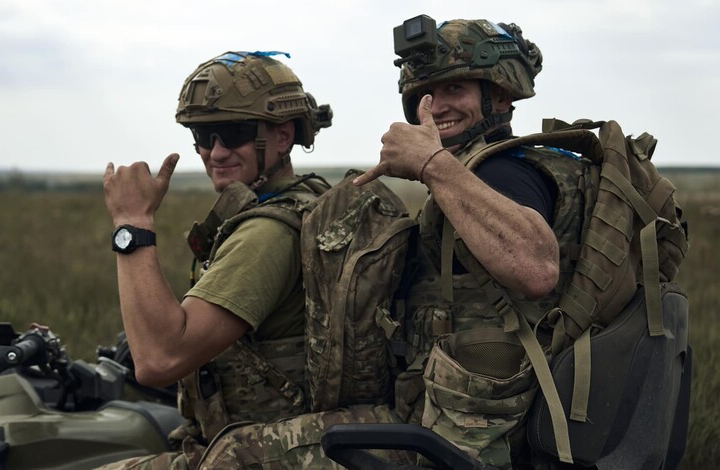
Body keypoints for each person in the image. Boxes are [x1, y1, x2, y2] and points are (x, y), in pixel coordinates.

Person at [193, 17, 591, 469]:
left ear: (500, 94)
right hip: (466, 408)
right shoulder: (495, 170)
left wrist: (431, 163)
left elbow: (537, 269)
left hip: (471, 429)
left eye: (455, 89)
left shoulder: (500, 171)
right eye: (426, 94)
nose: (438, 106)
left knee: (235, 456)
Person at [98, 50, 332, 469]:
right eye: (205, 137)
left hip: (261, 449)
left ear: (283, 136)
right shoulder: (311, 197)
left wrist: (132, 221)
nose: (216, 153)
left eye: (234, 133)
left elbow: (159, 360)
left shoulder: (268, 233)